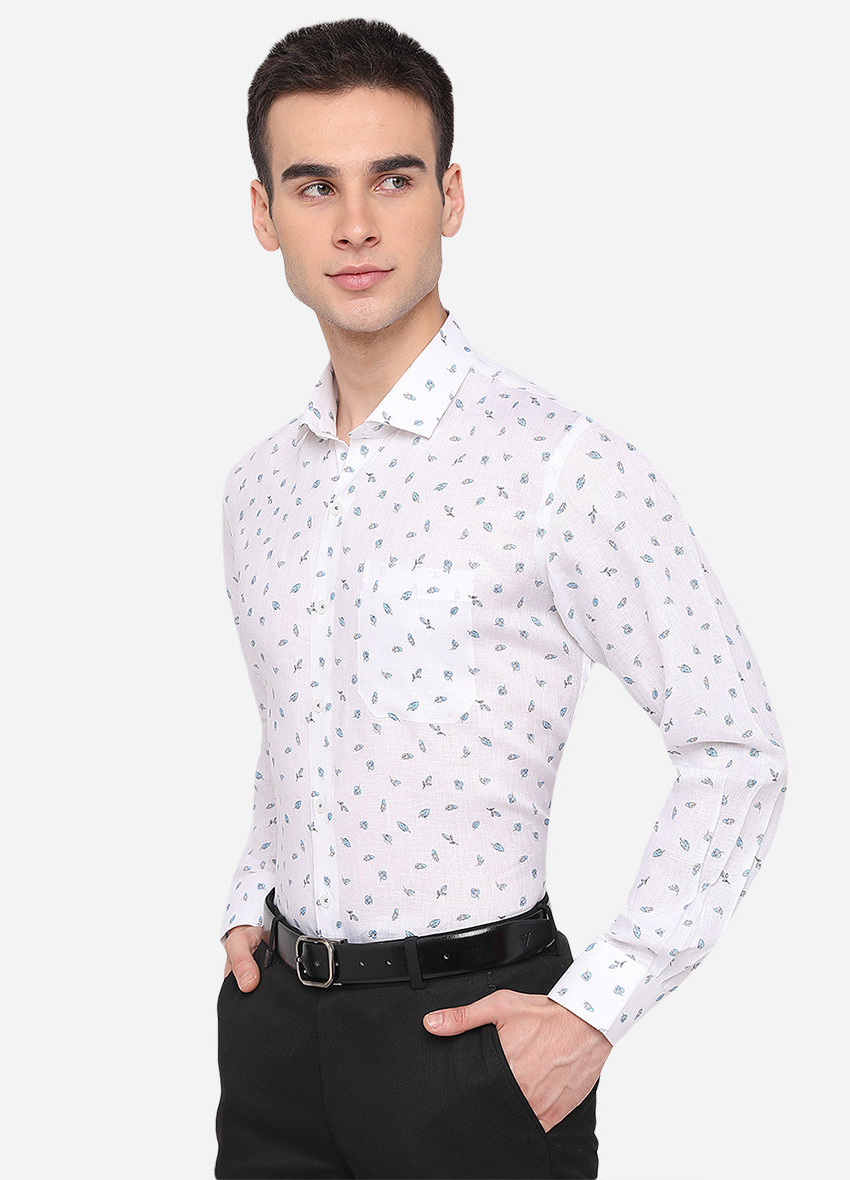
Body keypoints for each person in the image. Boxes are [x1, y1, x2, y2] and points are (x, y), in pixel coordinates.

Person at [214, 17, 787, 1180]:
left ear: (452, 197)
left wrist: (595, 1010)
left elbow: (736, 746)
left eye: (394, 179)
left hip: (470, 1041)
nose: (357, 224)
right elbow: (296, 730)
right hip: (275, 1043)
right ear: (265, 215)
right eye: (315, 186)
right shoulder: (258, 487)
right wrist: (246, 900)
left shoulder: (562, 466)